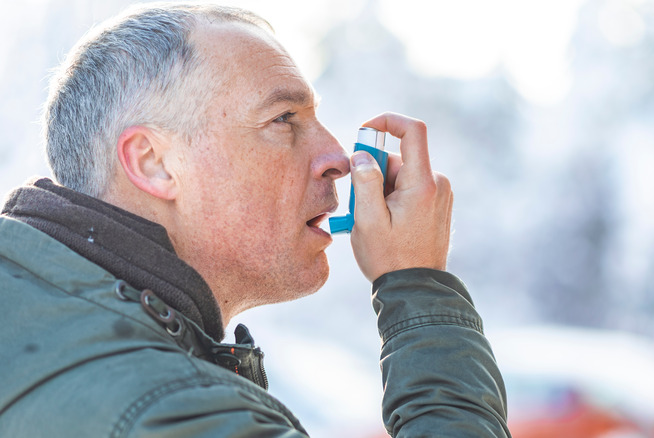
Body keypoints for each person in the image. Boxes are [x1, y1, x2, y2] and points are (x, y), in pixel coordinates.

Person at [0, 3, 509, 437]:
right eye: (284, 120)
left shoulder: (49, 327)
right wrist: (418, 285)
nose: (336, 156)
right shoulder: (164, 405)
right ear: (155, 163)